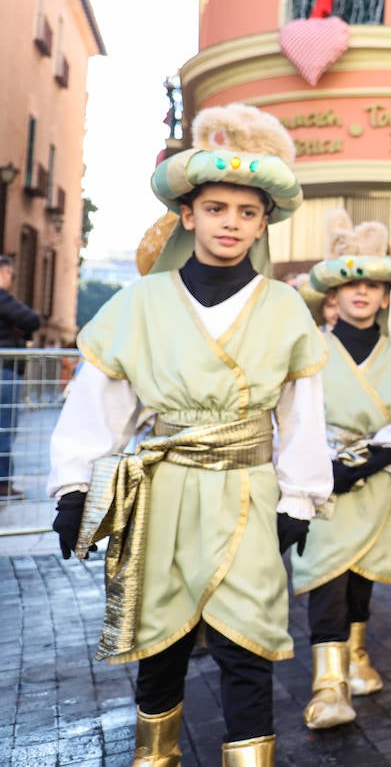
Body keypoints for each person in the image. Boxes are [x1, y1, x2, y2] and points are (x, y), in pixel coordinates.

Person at [47, 103, 332, 766]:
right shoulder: (141, 302)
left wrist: (299, 500)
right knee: (159, 647)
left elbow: (302, 413)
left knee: (247, 651)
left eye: (246, 212)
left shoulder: (286, 308)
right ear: (187, 215)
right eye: (216, 208)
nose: (230, 223)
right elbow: (98, 401)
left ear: (264, 223)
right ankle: (155, 758)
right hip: (164, 496)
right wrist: (71, 490)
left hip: (248, 494)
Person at [290, 211, 391, 730]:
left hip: (373, 479)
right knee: (325, 575)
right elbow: (293, 410)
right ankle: (328, 686)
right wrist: (317, 466)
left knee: (360, 578)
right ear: (335, 295)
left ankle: (356, 656)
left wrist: (377, 456)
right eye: (352, 284)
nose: (362, 293)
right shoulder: (311, 349)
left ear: (386, 295)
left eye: (372, 284)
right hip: (322, 477)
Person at [0, 256, 40, 500]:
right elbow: (31, 320)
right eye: (11, 276)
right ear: (4, 273)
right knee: (4, 427)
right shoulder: (2, 297)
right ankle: (2, 484)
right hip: (4, 370)